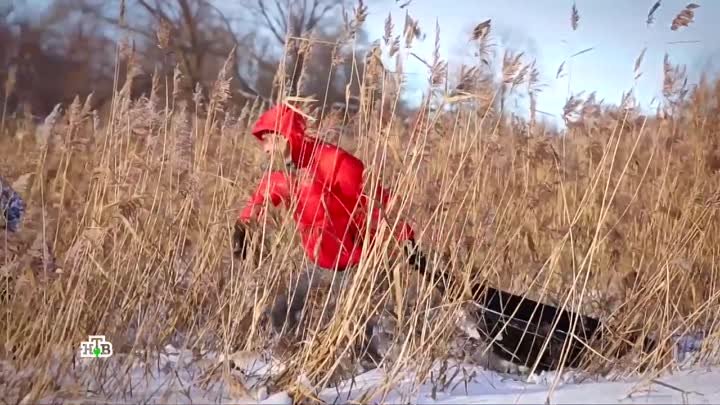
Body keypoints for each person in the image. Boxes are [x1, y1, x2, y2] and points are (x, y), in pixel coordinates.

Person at [233, 104, 417, 340]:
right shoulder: (288, 172)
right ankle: (287, 362)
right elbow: (265, 190)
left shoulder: (333, 162)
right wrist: (245, 224)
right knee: (280, 314)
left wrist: (406, 241)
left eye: (268, 140)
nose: (266, 150)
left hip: (357, 265)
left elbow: (379, 201)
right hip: (321, 265)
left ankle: (379, 369)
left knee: (355, 333)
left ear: (285, 135)